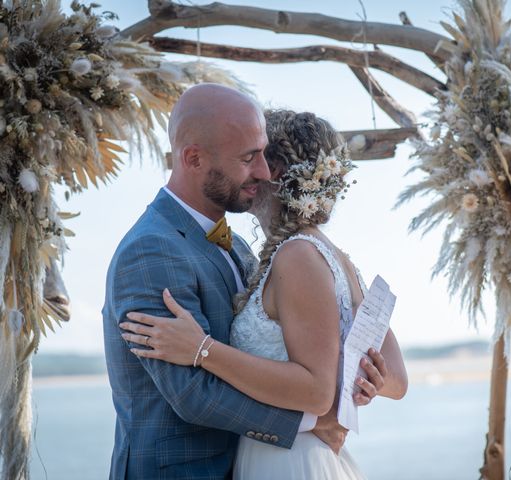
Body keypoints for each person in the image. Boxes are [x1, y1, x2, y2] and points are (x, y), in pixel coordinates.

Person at [103, 84, 391, 480]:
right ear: (193, 158)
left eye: (264, 154)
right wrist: (312, 420)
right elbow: (191, 394)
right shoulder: (151, 251)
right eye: (249, 157)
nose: (264, 171)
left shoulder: (240, 248)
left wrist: (354, 384)